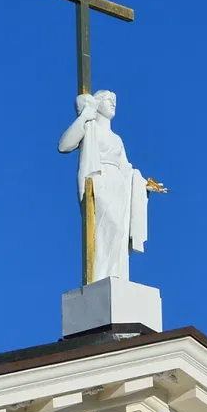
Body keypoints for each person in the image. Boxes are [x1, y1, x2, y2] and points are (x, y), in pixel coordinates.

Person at [57, 90, 149, 281]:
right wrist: (84, 117)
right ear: (97, 103)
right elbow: (64, 145)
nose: (113, 102)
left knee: (120, 231)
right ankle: (100, 275)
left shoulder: (117, 139)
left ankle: (116, 275)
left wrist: (142, 184)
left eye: (115, 100)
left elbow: (127, 167)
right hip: (99, 179)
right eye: (108, 99)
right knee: (107, 227)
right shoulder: (91, 128)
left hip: (120, 185)